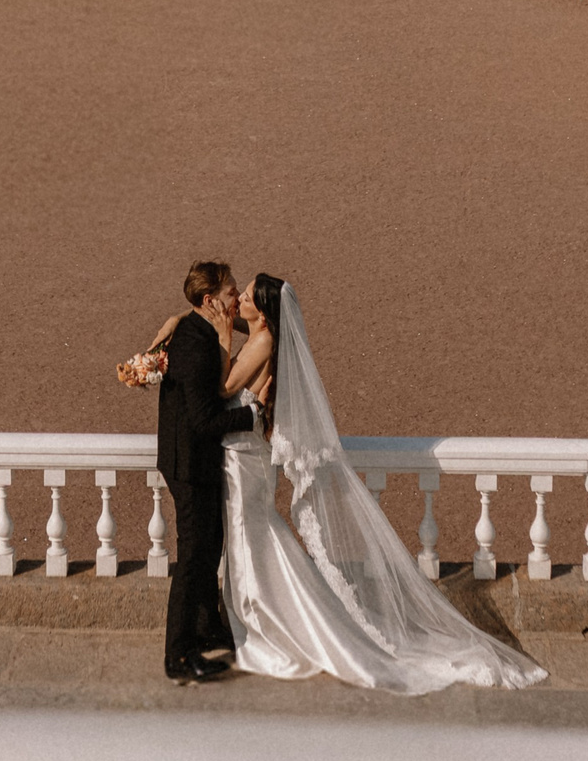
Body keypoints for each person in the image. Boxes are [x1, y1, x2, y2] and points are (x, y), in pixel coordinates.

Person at [216, 273, 547, 694]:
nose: (238, 302)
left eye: (244, 298)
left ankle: (275, 628)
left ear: (261, 313)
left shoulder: (259, 342)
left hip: (245, 461)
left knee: (254, 538)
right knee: (254, 539)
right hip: (245, 458)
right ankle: (271, 621)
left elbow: (224, 386)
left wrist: (220, 333)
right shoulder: (262, 341)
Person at [155, 261, 259, 685]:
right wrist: (251, 417)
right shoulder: (197, 348)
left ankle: (208, 627)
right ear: (210, 300)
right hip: (190, 465)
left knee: (209, 545)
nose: (236, 297)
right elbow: (204, 422)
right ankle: (178, 654)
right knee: (194, 560)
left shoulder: (193, 329)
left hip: (189, 460)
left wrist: (187, 316)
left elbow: (254, 331)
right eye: (232, 291)